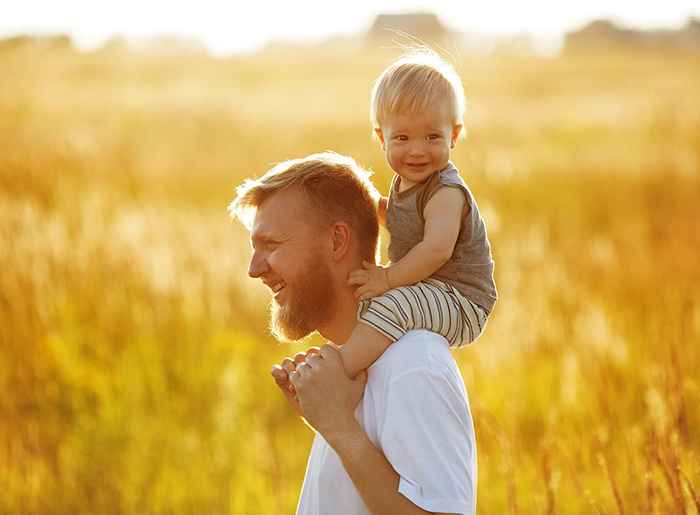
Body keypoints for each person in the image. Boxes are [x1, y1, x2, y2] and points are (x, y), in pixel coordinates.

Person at [229, 152, 477, 514]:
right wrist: (327, 418)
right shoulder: (348, 372)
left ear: (336, 241)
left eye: (273, 245)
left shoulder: (413, 364)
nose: (254, 269)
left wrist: (340, 429)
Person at [336, 49, 498, 379]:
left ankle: (340, 371)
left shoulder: (445, 192)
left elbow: (436, 249)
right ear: (381, 138)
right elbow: (397, 219)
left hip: (462, 301)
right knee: (372, 302)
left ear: (453, 135)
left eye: (433, 137)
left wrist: (388, 278)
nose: (417, 150)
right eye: (403, 138)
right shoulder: (405, 184)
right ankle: (365, 372)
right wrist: (364, 200)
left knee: (394, 303)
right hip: (432, 291)